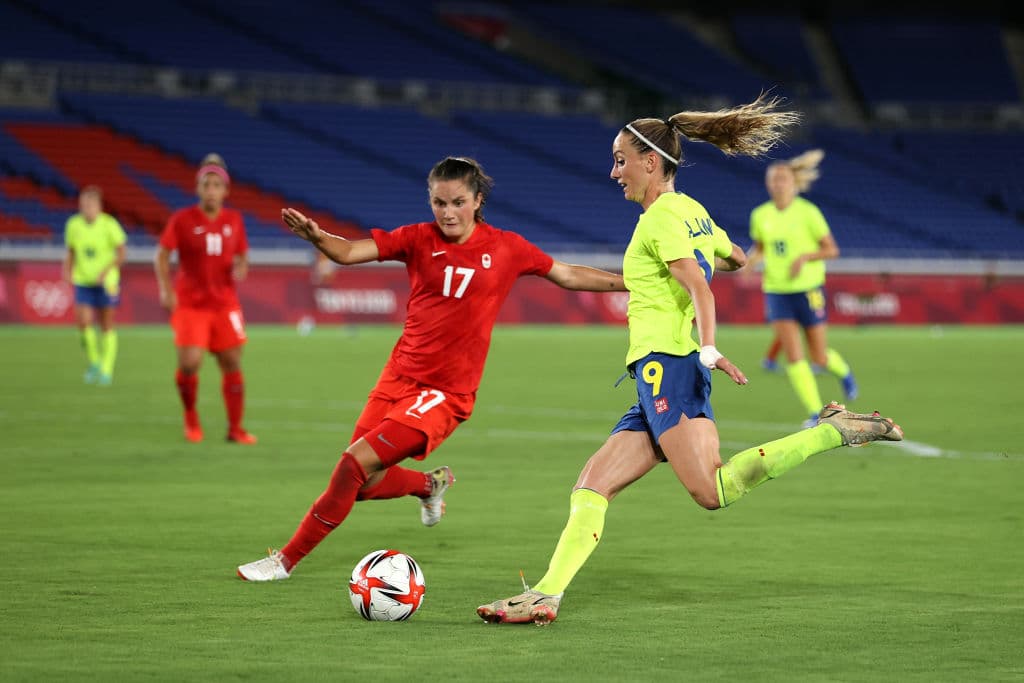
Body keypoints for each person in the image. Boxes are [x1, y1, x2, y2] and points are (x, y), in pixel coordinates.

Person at [477, 95, 904, 626]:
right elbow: (736, 258)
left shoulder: (659, 219)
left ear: (651, 162)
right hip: (657, 375)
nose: (614, 173)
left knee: (712, 490)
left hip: (670, 368)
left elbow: (701, 283)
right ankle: (546, 594)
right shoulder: (691, 212)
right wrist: (708, 257)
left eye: (621, 160)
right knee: (592, 484)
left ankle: (830, 431)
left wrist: (708, 347)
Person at [236, 156, 628, 581]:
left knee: (352, 465)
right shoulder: (417, 238)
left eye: (457, 202)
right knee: (363, 483)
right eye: (438, 202)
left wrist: (634, 279)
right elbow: (349, 252)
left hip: (446, 393)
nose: (446, 212)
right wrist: (317, 236)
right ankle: (428, 485)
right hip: (398, 377)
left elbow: (567, 274)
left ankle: (284, 561)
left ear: (477, 201)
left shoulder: (506, 248)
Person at [747, 149, 858, 427]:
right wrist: (749, 262)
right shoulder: (760, 215)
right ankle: (813, 412)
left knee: (818, 356)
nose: (777, 184)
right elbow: (760, 247)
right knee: (794, 354)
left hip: (808, 289)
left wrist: (805, 257)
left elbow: (832, 250)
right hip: (776, 290)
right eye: (772, 179)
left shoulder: (808, 213)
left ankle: (843, 372)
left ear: (794, 183)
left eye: (782, 179)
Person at [154, 153, 257, 444]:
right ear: (198, 188)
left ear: (225, 190)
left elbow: (242, 254)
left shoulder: (234, 220)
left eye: (216, 185)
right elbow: (161, 255)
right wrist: (166, 289)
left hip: (225, 303)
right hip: (191, 304)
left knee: (232, 361)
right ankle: (191, 417)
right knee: (190, 363)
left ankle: (235, 429)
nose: (211, 190)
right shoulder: (182, 220)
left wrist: (241, 266)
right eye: (206, 184)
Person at [63, 185, 126, 386]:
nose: (86, 209)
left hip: (107, 283)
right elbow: (71, 251)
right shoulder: (73, 225)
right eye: (83, 205)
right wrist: (67, 270)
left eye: (90, 205)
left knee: (107, 324)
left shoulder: (109, 224)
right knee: (83, 322)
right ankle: (95, 362)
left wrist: (106, 271)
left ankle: (107, 368)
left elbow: (122, 253)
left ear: (99, 206)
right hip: (83, 280)